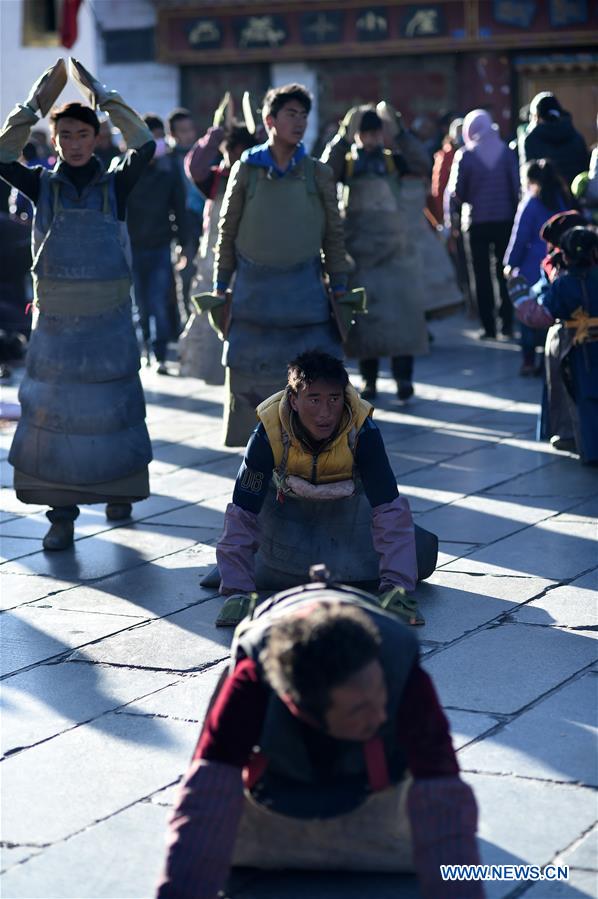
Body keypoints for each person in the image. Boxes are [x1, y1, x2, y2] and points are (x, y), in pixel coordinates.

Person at [155, 579, 484, 899]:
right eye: (359, 709)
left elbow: (442, 791)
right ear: (301, 708)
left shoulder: (401, 671)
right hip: (277, 781)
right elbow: (208, 794)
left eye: (379, 697)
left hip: (377, 784)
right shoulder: (252, 680)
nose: (380, 716)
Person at [0, 58, 154, 550]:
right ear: (58, 138)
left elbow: (145, 144)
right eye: (64, 135)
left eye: (82, 134)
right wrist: (33, 105)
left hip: (108, 326)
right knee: (54, 421)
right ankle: (60, 515)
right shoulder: (40, 184)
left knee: (113, 414)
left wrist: (104, 97)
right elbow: (2, 157)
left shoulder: (118, 182)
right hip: (57, 330)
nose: (73, 142)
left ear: (97, 137)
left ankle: (119, 491)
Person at [206, 351, 437, 627]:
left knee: (420, 553)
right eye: (314, 400)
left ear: (345, 397)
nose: (325, 413)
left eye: (334, 399)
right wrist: (237, 592)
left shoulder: (363, 432)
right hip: (284, 527)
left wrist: (397, 589)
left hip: (350, 528)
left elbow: (390, 512)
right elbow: (242, 515)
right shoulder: (267, 433)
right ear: (293, 400)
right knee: (239, 563)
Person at [213, 83, 350, 446]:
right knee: (254, 411)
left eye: (304, 115)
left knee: (312, 403)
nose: (299, 121)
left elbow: (333, 238)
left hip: (306, 305)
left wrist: (340, 287)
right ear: (270, 120)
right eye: (291, 114)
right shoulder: (247, 169)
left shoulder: (317, 173)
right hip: (253, 305)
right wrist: (220, 285)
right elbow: (227, 231)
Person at [321, 107, 428, 401]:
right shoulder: (347, 163)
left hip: (395, 250)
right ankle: (369, 381)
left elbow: (423, 162)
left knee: (402, 316)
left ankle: (404, 378)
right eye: (365, 134)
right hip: (361, 252)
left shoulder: (394, 161)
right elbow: (324, 173)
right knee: (367, 319)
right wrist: (341, 139)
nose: (370, 139)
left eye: (375, 133)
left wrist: (402, 133)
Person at [179, 101, 255, 383]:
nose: (236, 156)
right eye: (231, 151)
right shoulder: (215, 178)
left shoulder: (259, 177)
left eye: (242, 151)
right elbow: (194, 166)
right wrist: (216, 133)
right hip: (214, 263)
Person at [510, 226, 598, 464]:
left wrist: (520, 297)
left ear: (565, 256)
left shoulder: (563, 285)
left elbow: (540, 316)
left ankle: (592, 451)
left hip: (580, 352)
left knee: (586, 399)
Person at [446, 109, 520, 339]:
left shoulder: (465, 155)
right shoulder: (507, 153)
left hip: (475, 222)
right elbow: (516, 186)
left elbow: (457, 192)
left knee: (480, 275)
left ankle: (488, 327)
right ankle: (507, 323)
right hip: (505, 221)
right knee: (503, 272)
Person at [127, 113, 188, 374]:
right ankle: (145, 352)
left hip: (161, 245)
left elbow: (180, 208)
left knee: (159, 303)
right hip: (132, 247)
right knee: (139, 304)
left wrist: (183, 242)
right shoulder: (127, 168)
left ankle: (160, 353)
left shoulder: (170, 169)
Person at [504, 159, 570, 374]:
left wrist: (510, 264)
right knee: (550, 313)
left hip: (530, 269)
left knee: (527, 314)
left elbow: (520, 237)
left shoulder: (530, 204)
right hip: (556, 267)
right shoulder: (562, 200)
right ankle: (547, 359)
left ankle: (528, 360)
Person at [167, 107, 204, 321]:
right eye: (183, 130)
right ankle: (187, 322)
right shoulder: (168, 161)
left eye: (191, 129)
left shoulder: (204, 155)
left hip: (205, 226)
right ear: (173, 134)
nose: (189, 134)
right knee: (186, 276)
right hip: (182, 229)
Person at [518, 92, 589, 188]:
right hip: (573, 197)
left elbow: (528, 177)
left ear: (536, 117)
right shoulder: (577, 137)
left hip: (543, 198)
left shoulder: (530, 140)